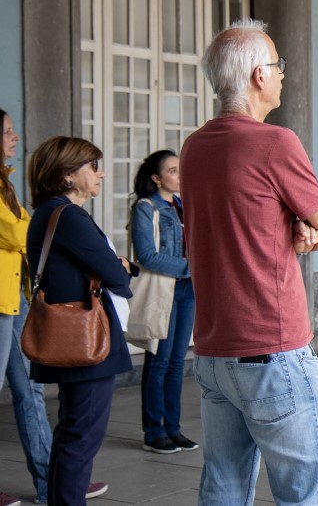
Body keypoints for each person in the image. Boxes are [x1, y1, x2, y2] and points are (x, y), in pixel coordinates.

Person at [180, 19, 318, 505]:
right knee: (306, 495)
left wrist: (289, 225)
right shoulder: (275, 142)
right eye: (277, 65)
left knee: (224, 489)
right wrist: (300, 227)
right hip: (272, 349)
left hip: (214, 350)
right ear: (257, 75)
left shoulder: (194, 148)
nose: (283, 74)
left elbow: (237, 223)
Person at [26, 137, 128, 504]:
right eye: (93, 167)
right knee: (81, 435)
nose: (101, 174)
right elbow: (115, 274)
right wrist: (121, 269)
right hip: (82, 339)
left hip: (70, 334)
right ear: (68, 176)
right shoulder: (68, 216)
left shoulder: (51, 212)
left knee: (72, 432)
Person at [130, 150, 196, 455]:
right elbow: (147, 256)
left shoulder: (184, 206)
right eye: (172, 171)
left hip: (188, 291)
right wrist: (191, 268)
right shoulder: (147, 208)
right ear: (156, 178)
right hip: (164, 290)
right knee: (158, 362)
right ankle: (153, 431)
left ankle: (173, 428)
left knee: (176, 363)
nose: (180, 175)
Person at [0, 110, 50, 506]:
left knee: (29, 390)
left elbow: (23, 233)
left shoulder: (7, 182)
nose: (15, 137)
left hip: (12, 297)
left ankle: (51, 481)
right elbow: (19, 231)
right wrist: (27, 233)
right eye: (8, 132)